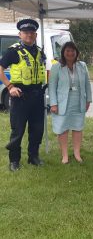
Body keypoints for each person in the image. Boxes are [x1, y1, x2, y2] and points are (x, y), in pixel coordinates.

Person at [0, 19, 46, 171]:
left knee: (37, 129)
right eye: (26, 33)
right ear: (20, 34)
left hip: (37, 95)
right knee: (18, 130)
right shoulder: (13, 51)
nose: (29, 35)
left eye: (32, 33)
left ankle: (33, 157)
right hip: (20, 96)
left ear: (36, 34)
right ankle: (14, 161)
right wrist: (10, 86)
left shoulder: (40, 51)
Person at [48, 42, 92, 164]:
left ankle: (77, 154)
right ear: (63, 52)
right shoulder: (56, 67)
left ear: (76, 52)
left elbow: (87, 84)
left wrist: (88, 99)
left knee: (78, 127)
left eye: (73, 50)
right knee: (63, 128)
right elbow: (52, 86)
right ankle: (65, 155)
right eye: (67, 50)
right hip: (62, 102)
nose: (70, 53)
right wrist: (53, 103)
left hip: (78, 101)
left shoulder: (82, 65)